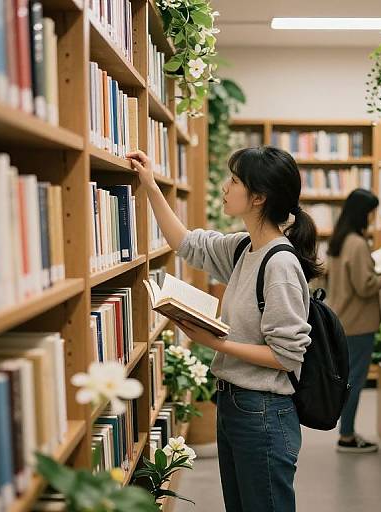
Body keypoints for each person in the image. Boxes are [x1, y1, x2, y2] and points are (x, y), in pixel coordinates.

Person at [127, 146, 322, 512]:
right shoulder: (244, 247)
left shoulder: (280, 265)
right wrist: (150, 184)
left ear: (259, 197)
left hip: (263, 411)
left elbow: (287, 356)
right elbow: (186, 244)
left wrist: (215, 341)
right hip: (233, 403)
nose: (224, 187)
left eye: (234, 181)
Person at [327, 188, 381, 454]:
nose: (373, 217)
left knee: (346, 379)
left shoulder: (339, 241)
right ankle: (347, 436)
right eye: (371, 212)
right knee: (355, 380)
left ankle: (346, 432)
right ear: (362, 213)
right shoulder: (358, 243)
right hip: (359, 324)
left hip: (341, 319)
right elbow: (365, 286)